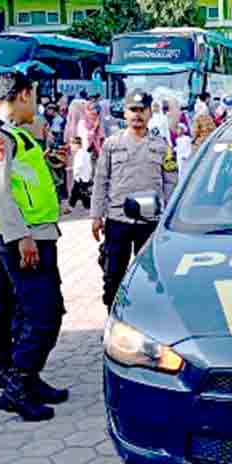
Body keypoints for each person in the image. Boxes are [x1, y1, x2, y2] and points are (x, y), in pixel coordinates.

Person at [0, 72, 67, 423]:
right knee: (41, 315)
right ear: (24, 95)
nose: (37, 104)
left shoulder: (16, 134)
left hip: (41, 234)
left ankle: (30, 378)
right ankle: (16, 388)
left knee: (47, 310)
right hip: (25, 239)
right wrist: (20, 237)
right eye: (35, 96)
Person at [91, 89, 178, 309]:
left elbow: (171, 183)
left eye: (142, 110)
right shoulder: (112, 144)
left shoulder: (162, 147)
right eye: (132, 110)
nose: (137, 115)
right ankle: (113, 321)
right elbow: (101, 180)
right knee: (113, 277)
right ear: (125, 113)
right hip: (118, 220)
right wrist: (96, 216)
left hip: (150, 222)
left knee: (151, 277)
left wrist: (169, 217)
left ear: (150, 113)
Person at [68, 137, 93, 211]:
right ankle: (72, 207)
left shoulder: (79, 154)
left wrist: (75, 173)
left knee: (81, 193)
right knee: (78, 193)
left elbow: (79, 165)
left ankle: (88, 207)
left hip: (80, 178)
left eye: (72, 144)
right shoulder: (84, 152)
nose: (71, 147)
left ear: (77, 145)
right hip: (84, 177)